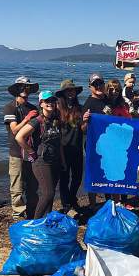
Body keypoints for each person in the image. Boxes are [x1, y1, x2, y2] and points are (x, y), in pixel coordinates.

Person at [16, 90, 64, 219]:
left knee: (50, 194)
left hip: (55, 160)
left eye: (53, 101)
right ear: (41, 103)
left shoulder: (55, 119)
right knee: (48, 193)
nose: (51, 103)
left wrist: (62, 160)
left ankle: (46, 221)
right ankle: (35, 223)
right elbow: (19, 137)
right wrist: (31, 151)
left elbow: (58, 142)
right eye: (47, 101)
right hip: (41, 161)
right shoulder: (37, 121)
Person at [3, 76, 39, 219]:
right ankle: (18, 214)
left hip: (30, 151)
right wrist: (27, 118)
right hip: (16, 152)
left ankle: (32, 212)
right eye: (22, 87)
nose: (25, 89)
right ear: (17, 89)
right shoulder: (9, 107)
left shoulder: (33, 108)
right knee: (17, 186)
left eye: (27, 87)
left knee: (33, 185)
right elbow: (15, 130)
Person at [55, 79, 84, 213]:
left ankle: (72, 199)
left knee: (78, 177)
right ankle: (66, 204)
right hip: (63, 149)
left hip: (77, 148)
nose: (70, 93)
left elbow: (83, 129)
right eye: (68, 90)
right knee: (64, 178)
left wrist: (85, 121)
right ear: (63, 93)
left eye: (72, 90)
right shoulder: (57, 109)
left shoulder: (80, 108)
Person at [82, 73, 109, 208]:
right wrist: (85, 121)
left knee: (111, 171)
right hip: (94, 145)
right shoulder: (88, 104)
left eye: (100, 84)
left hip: (110, 144)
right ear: (90, 87)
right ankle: (93, 204)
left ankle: (112, 202)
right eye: (95, 84)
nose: (98, 86)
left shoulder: (109, 100)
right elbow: (82, 129)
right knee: (94, 173)